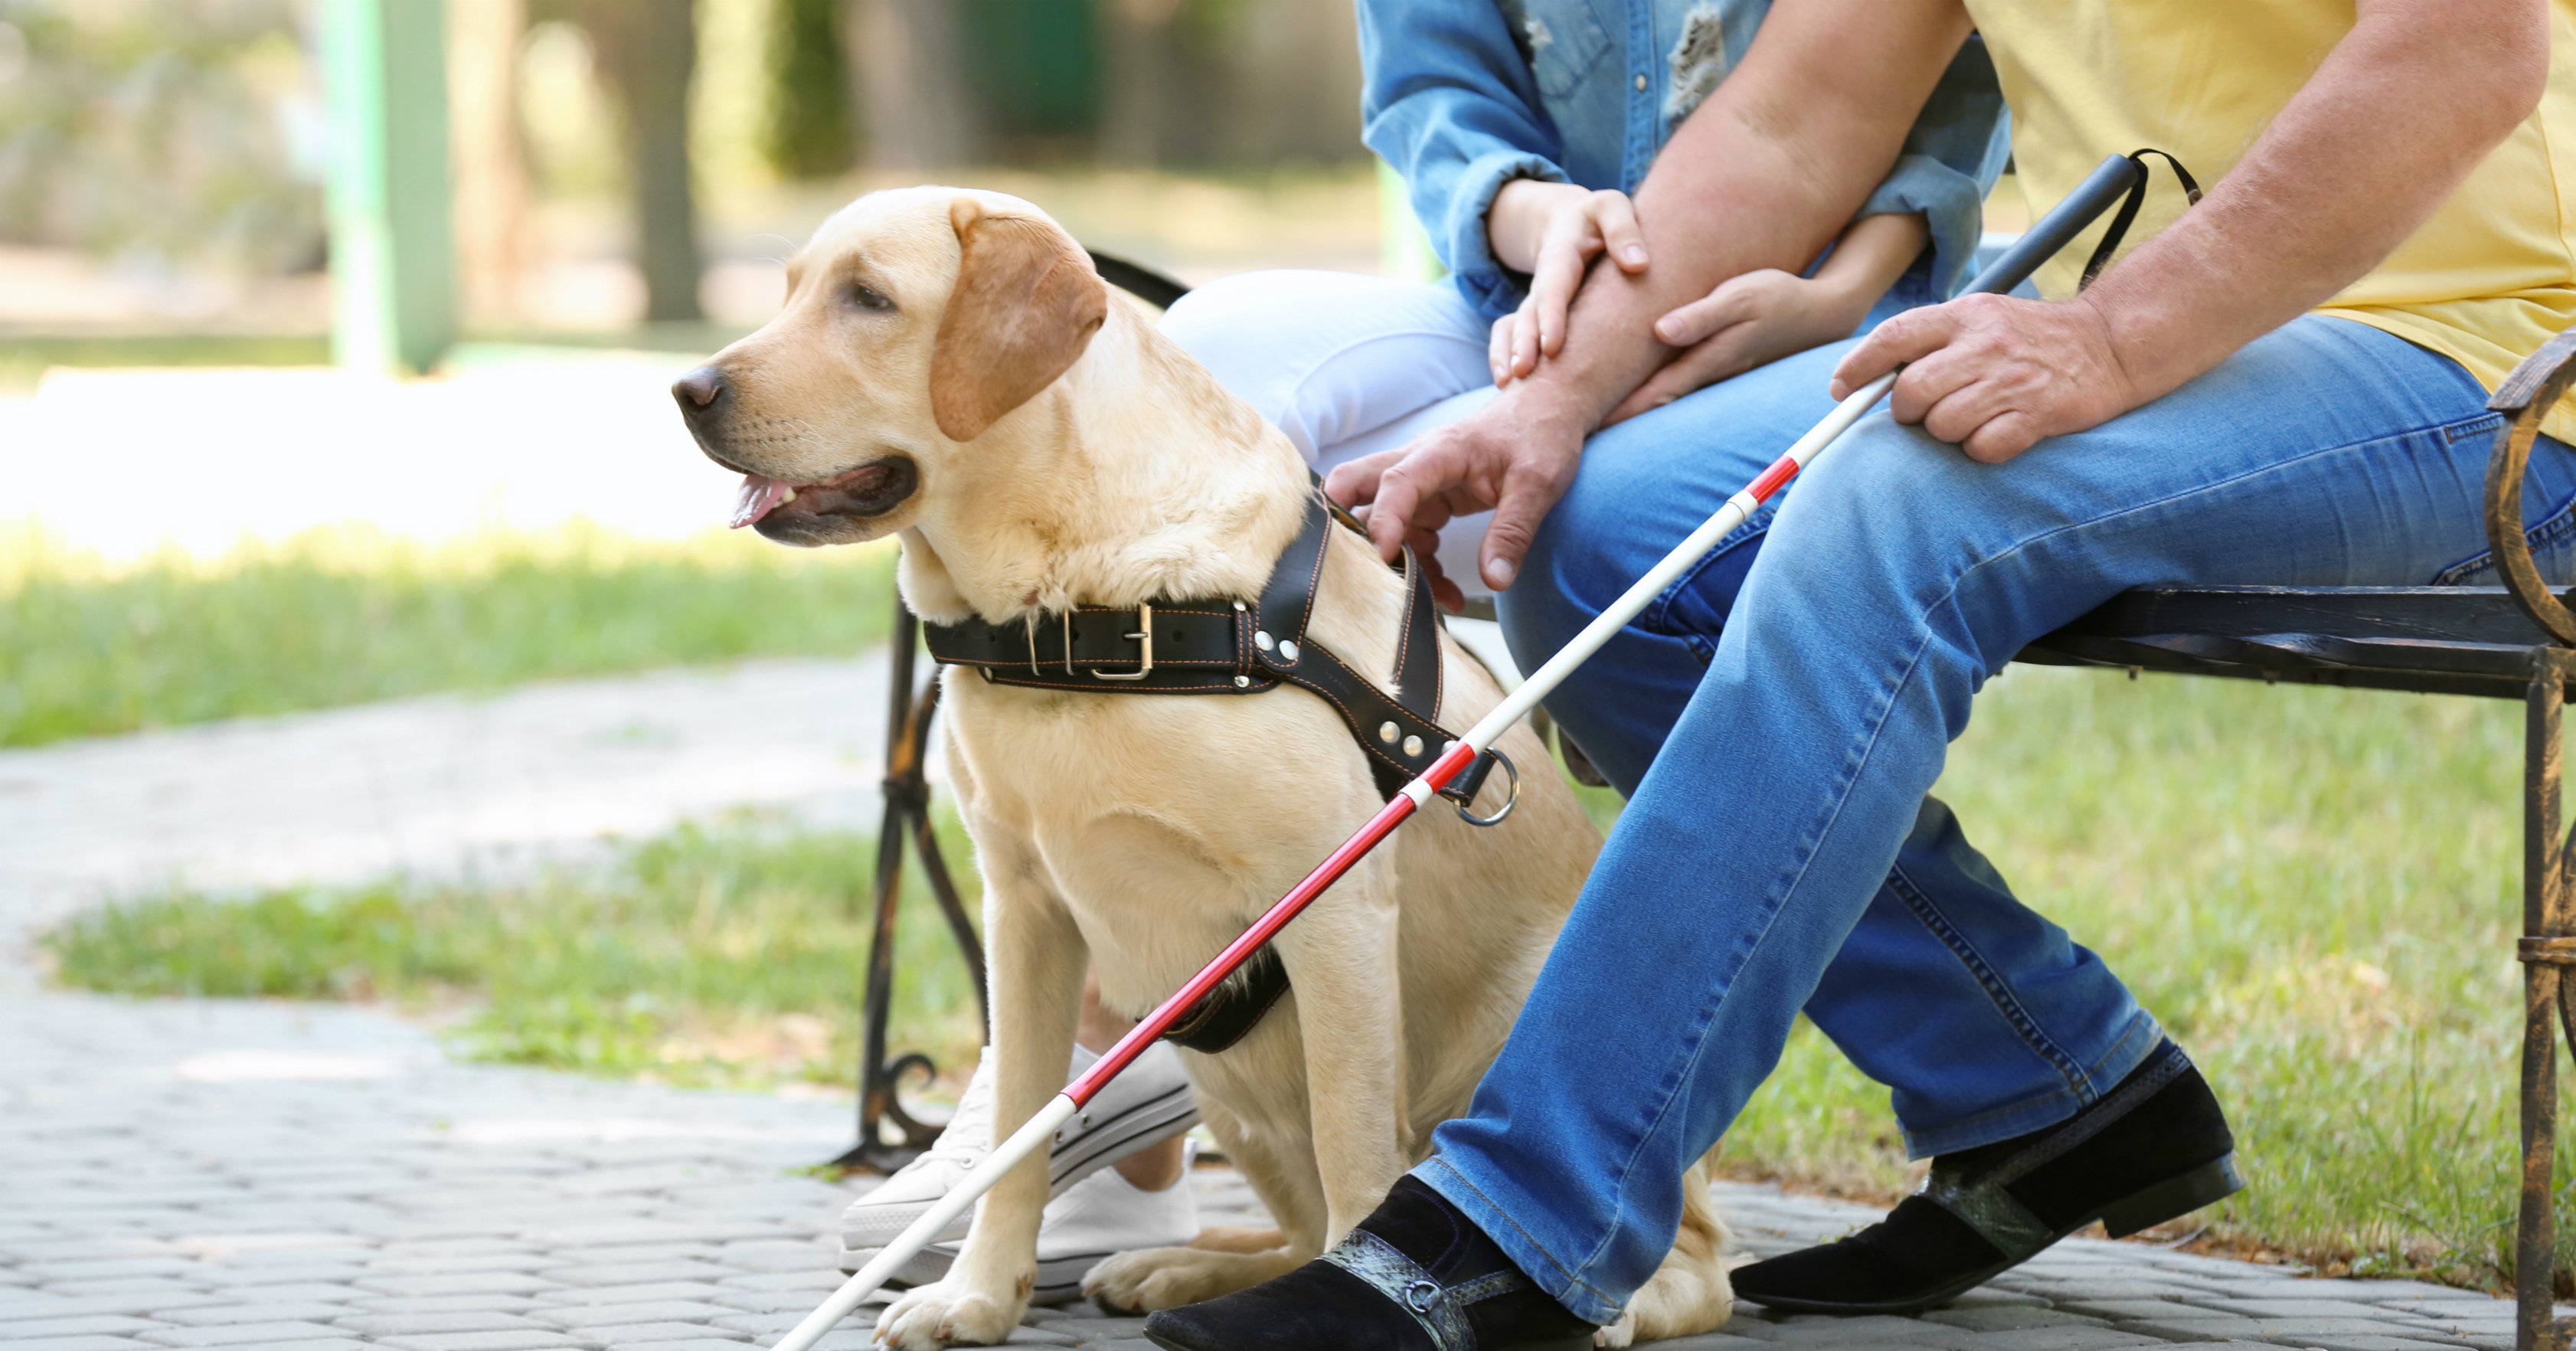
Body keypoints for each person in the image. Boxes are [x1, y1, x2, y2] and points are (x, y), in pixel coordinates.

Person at [1143, 0, 2576, 1347]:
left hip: (2486, 364)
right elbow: (1790, 125)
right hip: (2153, 326)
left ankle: (1520, 1220)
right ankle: (2037, 1078)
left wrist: (2108, 336)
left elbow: (2461, 51)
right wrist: (1546, 400)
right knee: (1595, 535)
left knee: (1902, 497)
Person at [1165, 0, 2010, 610]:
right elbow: (1430, 86)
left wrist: (1839, 294)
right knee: (1209, 362)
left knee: (1588, 505)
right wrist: (1534, 212)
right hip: (1537, 304)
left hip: (1794, 322)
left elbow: (1940, 87)